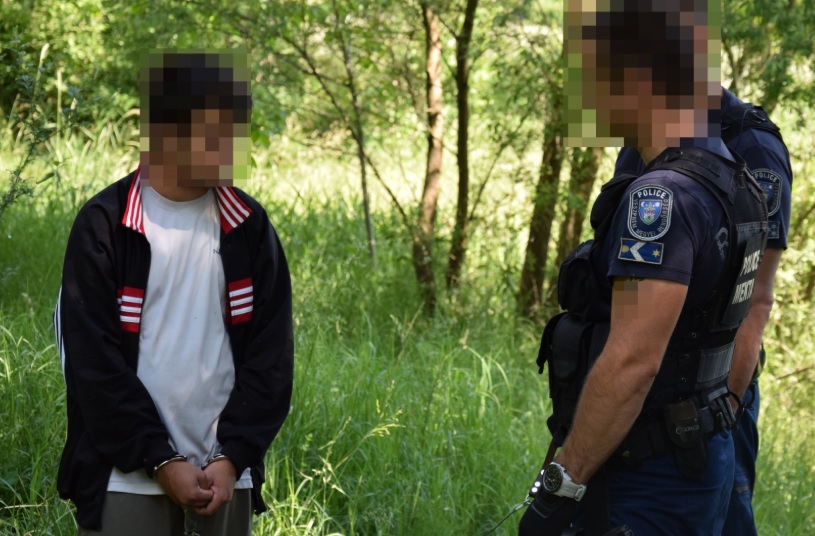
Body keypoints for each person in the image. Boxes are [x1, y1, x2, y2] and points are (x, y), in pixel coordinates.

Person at [519, 2, 769, 535]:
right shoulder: (735, 179)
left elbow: (633, 362)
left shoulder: (660, 198)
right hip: (699, 457)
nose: (586, 92)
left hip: (647, 478)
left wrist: (563, 482)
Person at [53, 51, 294, 535]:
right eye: (215, 135)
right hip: (125, 477)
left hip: (227, 477)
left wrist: (233, 457)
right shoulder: (106, 225)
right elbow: (91, 364)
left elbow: (271, 357)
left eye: (237, 133)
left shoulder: (248, 227)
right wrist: (161, 459)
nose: (233, 149)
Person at [615, 88, 793, 536]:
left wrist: (721, 415)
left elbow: (755, 299)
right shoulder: (649, 130)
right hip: (642, 392)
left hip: (716, 387)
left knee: (727, 512)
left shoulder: (752, 144)